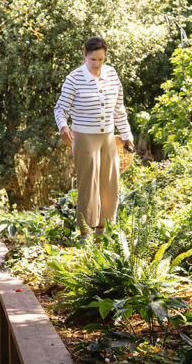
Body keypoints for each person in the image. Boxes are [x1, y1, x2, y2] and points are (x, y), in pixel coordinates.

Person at [54, 36, 134, 236]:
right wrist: (63, 127)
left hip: (107, 137)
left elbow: (118, 108)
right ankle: (85, 233)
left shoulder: (112, 75)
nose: (98, 64)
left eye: (101, 59)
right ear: (85, 57)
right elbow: (60, 108)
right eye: (93, 60)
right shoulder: (74, 78)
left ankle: (104, 230)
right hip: (84, 137)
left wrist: (125, 134)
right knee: (88, 186)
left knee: (110, 184)